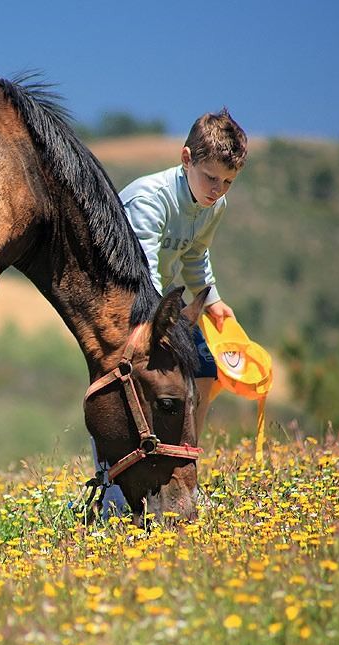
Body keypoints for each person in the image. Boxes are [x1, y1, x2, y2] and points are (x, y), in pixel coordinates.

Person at [94, 108, 249, 517]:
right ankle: (110, 481)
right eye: (211, 177)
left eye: (228, 181)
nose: (218, 189)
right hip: (129, 303)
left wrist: (212, 300)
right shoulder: (151, 199)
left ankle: (178, 463)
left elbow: (195, 254)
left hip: (164, 307)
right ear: (186, 160)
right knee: (126, 389)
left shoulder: (214, 207)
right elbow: (138, 271)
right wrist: (165, 323)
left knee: (204, 374)